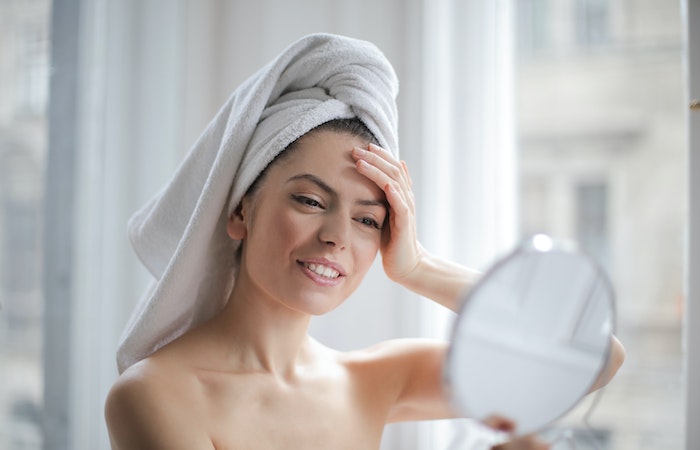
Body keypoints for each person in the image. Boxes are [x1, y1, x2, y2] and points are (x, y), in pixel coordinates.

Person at [105, 34, 624, 450]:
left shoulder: (373, 379)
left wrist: (418, 268)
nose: (336, 237)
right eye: (310, 200)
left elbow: (596, 357)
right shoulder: (156, 394)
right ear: (240, 209)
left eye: (368, 220)